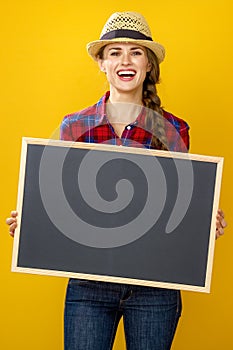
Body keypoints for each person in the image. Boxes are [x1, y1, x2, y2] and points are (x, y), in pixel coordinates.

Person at [6, 11, 227, 350]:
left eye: (136, 52)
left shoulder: (173, 130)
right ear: (101, 63)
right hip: (88, 287)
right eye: (115, 52)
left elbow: (179, 207)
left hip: (156, 288)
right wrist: (33, 221)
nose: (126, 60)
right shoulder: (74, 127)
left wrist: (202, 221)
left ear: (149, 65)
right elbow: (59, 201)